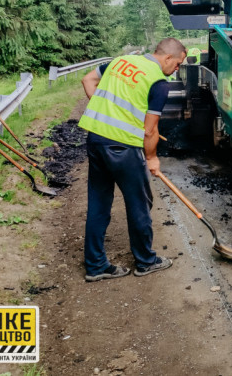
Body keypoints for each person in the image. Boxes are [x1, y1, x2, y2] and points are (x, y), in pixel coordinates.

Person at [78, 39, 186, 281]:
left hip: (96, 141)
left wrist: (106, 113)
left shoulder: (119, 61)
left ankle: (95, 266)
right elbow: (150, 131)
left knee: (98, 204)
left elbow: (87, 80)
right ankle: (146, 261)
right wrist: (152, 158)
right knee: (139, 203)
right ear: (168, 58)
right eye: (178, 63)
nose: (177, 69)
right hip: (123, 148)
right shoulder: (158, 82)